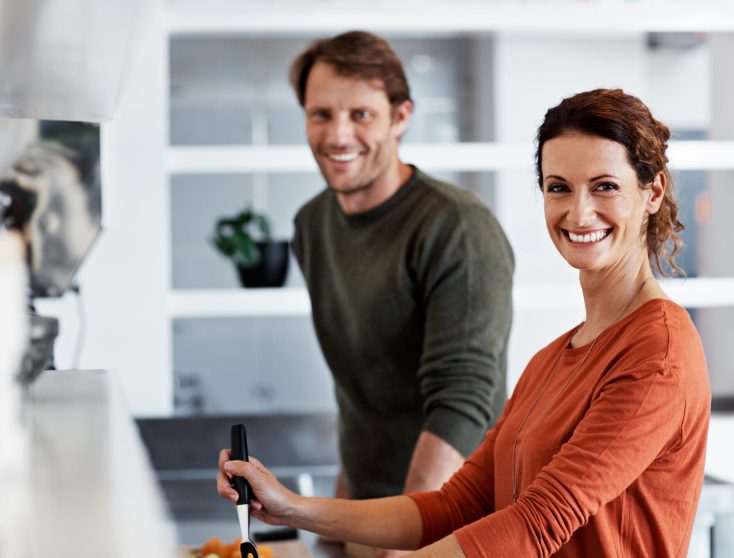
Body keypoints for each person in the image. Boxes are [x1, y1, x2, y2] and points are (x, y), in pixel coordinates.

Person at [218, 88, 711, 557]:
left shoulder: (658, 352)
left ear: (652, 192)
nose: (579, 212)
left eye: (605, 186)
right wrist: (290, 508)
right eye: (559, 188)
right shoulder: (550, 361)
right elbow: (457, 506)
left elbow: (540, 522)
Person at [287, 29, 514, 553]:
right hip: (368, 519)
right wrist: (343, 519)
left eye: (361, 114)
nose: (338, 135)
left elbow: (461, 402)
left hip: (450, 528)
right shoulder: (312, 225)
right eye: (321, 114)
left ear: (401, 117)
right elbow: (362, 386)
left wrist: (404, 546)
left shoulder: (456, 227)